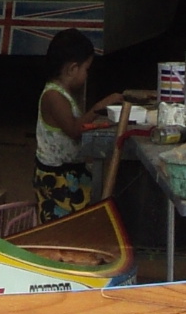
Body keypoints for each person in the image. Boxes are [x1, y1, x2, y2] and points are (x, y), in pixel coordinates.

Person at [33, 28, 124, 223]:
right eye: (86, 69)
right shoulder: (53, 96)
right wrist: (99, 107)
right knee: (64, 225)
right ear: (72, 69)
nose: (86, 75)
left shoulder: (64, 94)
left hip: (70, 171)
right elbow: (74, 130)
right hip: (58, 177)